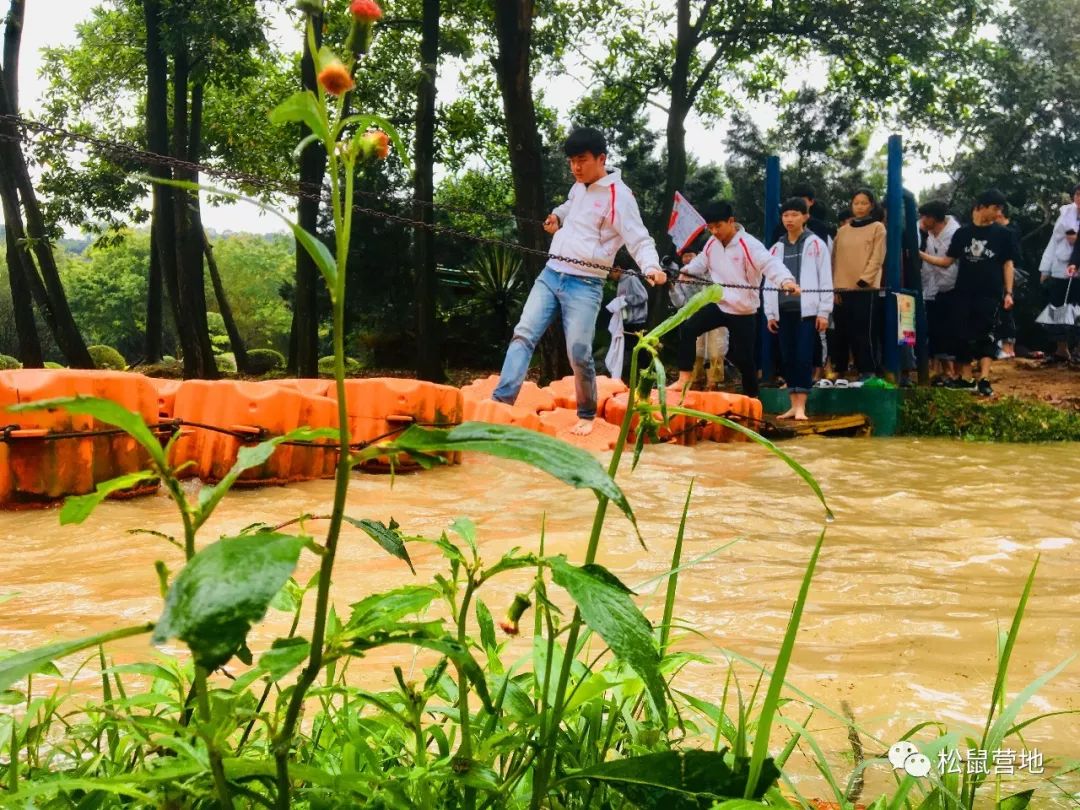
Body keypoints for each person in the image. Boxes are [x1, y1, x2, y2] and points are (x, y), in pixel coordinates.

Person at [492, 127, 666, 436]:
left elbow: (639, 239)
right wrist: (557, 217)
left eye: (582, 160)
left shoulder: (619, 197)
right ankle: (500, 403)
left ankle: (586, 413)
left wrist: (652, 266)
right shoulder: (579, 186)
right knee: (523, 334)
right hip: (551, 274)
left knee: (579, 351)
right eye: (571, 161)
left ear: (601, 159)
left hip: (585, 284)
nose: (575, 167)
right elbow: (570, 206)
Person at [672, 200, 799, 398]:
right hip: (720, 303)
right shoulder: (712, 243)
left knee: (744, 358)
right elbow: (701, 262)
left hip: (743, 310)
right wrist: (686, 271)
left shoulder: (748, 244)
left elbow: (770, 263)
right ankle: (684, 379)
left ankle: (752, 398)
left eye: (718, 226)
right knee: (688, 328)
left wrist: (786, 281)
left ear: (731, 221)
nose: (714, 231)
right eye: (710, 227)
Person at [920, 188, 1015, 397]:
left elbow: (1008, 264)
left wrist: (1009, 292)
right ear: (980, 206)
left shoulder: (1003, 235)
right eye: (995, 208)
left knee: (986, 335)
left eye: (1000, 209)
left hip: (990, 292)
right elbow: (947, 261)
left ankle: (984, 379)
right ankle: (964, 378)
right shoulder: (963, 234)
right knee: (961, 335)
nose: (998, 213)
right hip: (963, 291)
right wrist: (921, 255)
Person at [765, 198, 832, 419]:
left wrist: (824, 311)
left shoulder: (816, 244)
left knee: (803, 357)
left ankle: (802, 405)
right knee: (787, 357)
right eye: (785, 215)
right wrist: (770, 313)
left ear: (805, 216)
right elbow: (769, 281)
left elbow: (825, 279)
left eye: (794, 214)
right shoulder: (776, 248)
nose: (789, 219)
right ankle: (793, 405)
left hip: (808, 311)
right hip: (783, 312)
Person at [831, 188, 886, 382]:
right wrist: (835, 286)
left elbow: (877, 257)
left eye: (864, 203)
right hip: (843, 287)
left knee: (864, 330)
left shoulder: (878, 228)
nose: (860, 207)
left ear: (871, 205)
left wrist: (866, 278)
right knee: (841, 331)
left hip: (866, 287)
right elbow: (835, 259)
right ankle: (840, 368)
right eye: (856, 203)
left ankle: (868, 369)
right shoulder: (842, 231)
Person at [668, 249, 728, 389]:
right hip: (694, 317)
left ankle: (713, 384)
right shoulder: (681, 276)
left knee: (715, 351)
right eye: (685, 256)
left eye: (691, 255)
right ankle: (694, 383)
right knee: (696, 352)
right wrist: (671, 286)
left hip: (714, 312)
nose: (688, 259)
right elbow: (680, 303)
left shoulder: (709, 270)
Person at [917, 200, 961, 383]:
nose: (921, 220)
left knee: (952, 332)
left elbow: (946, 262)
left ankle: (954, 373)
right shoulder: (929, 234)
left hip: (954, 287)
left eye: (924, 216)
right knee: (937, 332)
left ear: (933, 218)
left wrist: (919, 254)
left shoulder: (955, 233)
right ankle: (944, 372)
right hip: (934, 288)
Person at [604, 265, 649, 382]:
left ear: (617, 268)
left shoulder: (631, 277)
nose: (610, 276)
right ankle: (628, 379)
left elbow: (643, 296)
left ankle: (648, 378)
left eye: (610, 273)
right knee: (627, 351)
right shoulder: (620, 282)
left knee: (640, 352)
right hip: (627, 321)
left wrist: (625, 300)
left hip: (637, 322)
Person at [994, 206, 1023, 358]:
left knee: (1007, 311)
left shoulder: (1010, 232)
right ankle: (1004, 347)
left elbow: (1015, 258)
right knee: (1000, 311)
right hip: (996, 276)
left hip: (1009, 275)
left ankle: (1008, 347)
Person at [769, 183, 837, 245]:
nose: (798, 204)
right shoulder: (782, 228)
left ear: (811, 202)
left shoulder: (819, 227)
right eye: (796, 200)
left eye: (803, 201)